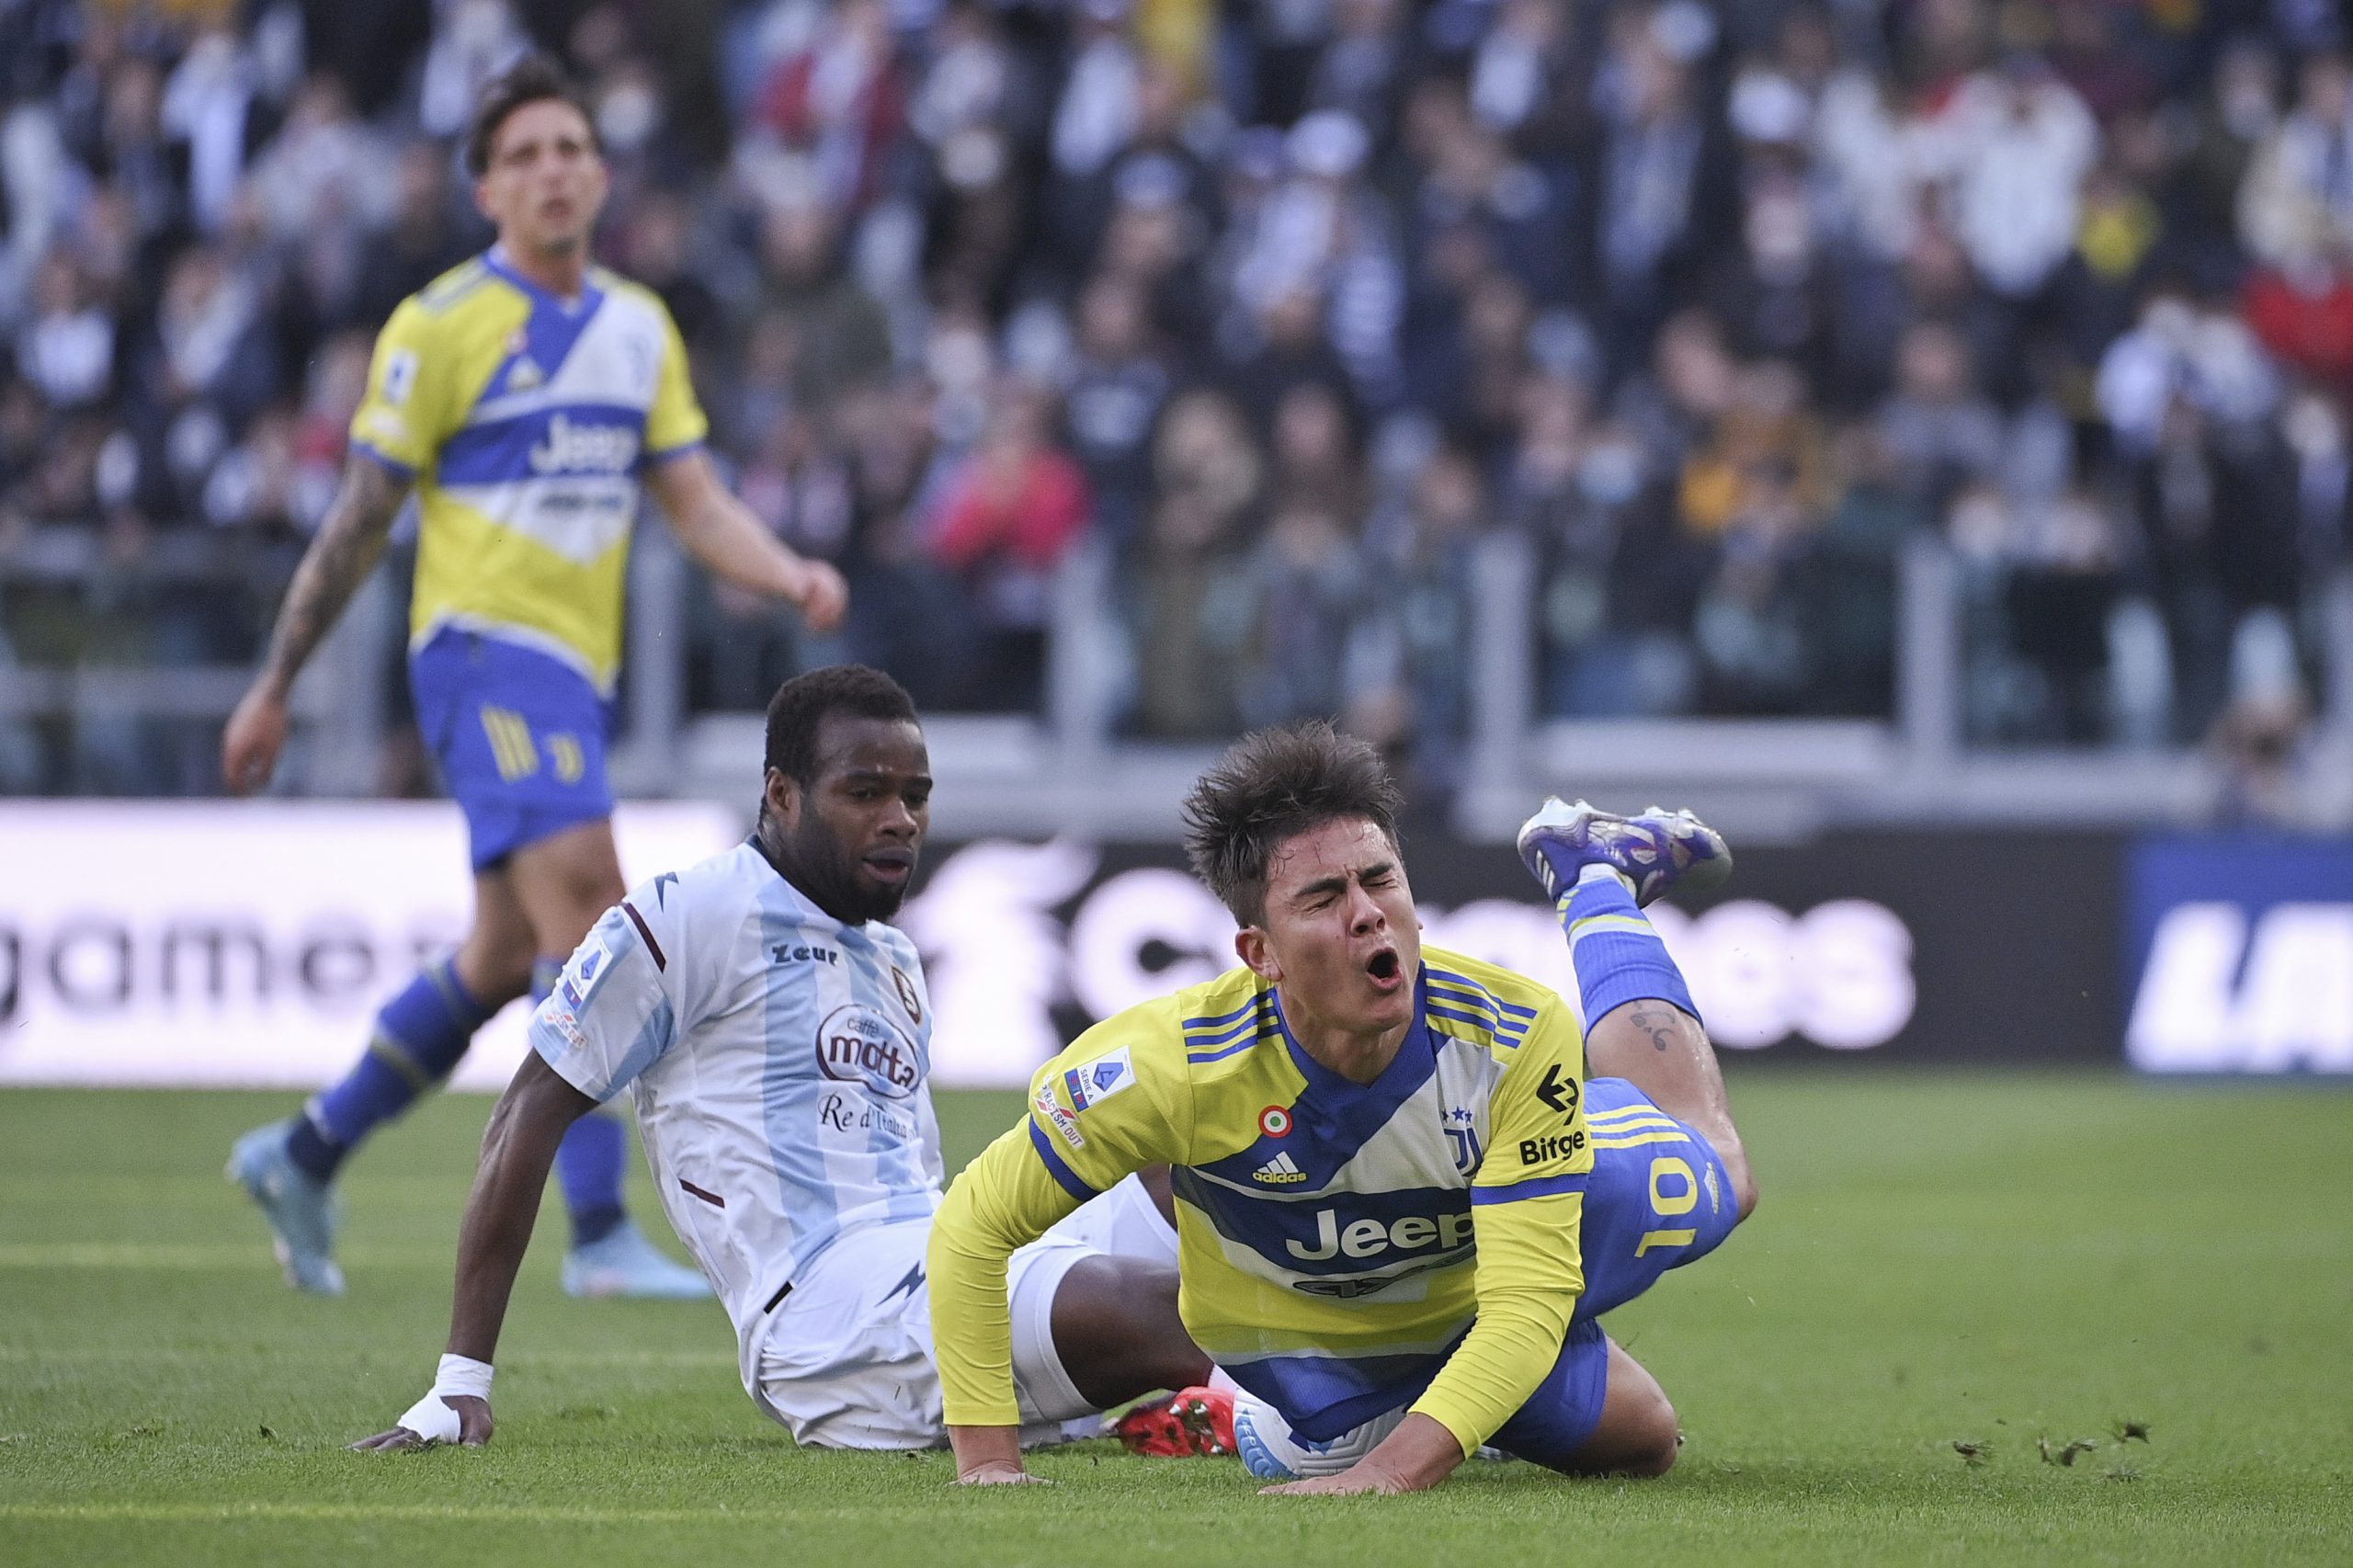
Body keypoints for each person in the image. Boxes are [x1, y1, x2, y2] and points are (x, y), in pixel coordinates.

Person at [221, 56, 849, 1299]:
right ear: (485, 188)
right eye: (526, 155)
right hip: (480, 652)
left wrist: (784, 571)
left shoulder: (635, 328)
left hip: (575, 673)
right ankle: (604, 1231)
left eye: (573, 147)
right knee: (595, 915)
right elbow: (356, 520)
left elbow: (694, 499)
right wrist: (275, 678)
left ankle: (302, 1150)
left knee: (507, 950)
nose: (555, 170)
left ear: (602, 173)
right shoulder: (442, 326)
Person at [352, 666, 1207, 1451]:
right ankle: (1298, 1407)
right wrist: (459, 1382)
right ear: (782, 794)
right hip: (826, 1323)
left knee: (1199, 1170)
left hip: (931, 1255)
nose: (899, 818)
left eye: (915, 795)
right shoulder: (688, 916)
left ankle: (1224, 1384)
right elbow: (526, 1113)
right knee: (1170, 1310)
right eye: (865, 791)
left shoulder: (895, 957)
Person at [926, 721, 1759, 1492]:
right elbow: (972, 1225)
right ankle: (1414, 1408)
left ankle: (1594, 880)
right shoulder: (1164, 1063)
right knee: (1632, 1432)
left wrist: (1389, 1475)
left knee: (1714, 1184)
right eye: (1323, 900)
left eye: (1380, 880)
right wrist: (989, 1463)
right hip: (1316, 1353)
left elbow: (1524, 1304)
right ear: (1261, 954)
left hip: (1486, 1284)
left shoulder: (1511, 1035)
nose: (1366, 915)